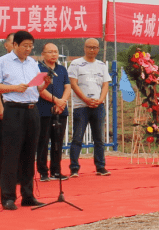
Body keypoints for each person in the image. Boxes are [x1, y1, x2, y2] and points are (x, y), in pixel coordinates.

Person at [0, 30, 49, 210]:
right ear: (15, 45)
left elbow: (37, 88)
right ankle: (8, 197)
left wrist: (45, 83)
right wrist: (14, 88)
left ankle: (28, 195)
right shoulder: (3, 61)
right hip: (14, 110)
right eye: (25, 46)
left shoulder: (32, 62)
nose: (28, 49)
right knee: (11, 154)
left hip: (32, 110)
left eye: (31, 46)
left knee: (30, 154)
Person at [68, 38, 111, 177]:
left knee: (99, 138)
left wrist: (100, 100)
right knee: (77, 137)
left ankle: (100, 166)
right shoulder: (76, 64)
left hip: (98, 106)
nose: (92, 50)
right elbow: (73, 84)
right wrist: (85, 99)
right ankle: (74, 168)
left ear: (98, 49)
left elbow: (105, 84)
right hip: (81, 106)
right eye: (89, 47)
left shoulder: (101, 65)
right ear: (84, 48)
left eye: (95, 47)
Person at [36, 43, 71, 181]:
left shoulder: (62, 69)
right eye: (50, 52)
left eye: (55, 52)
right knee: (43, 142)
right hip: (43, 110)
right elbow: (39, 89)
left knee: (58, 141)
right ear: (43, 54)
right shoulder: (39, 68)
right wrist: (56, 100)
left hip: (61, 110)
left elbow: (67, 86)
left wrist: (62, 102)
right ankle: (43, 171)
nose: (53, 54)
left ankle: (56, 171)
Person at [0, 33, 13, 185]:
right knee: (4, 142)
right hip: (6, 106)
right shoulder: (1, 62)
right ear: (6, 45)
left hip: (22, 108)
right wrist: (0, 106)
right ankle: (1, 176)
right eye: (13, 42)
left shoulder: (28, 62)